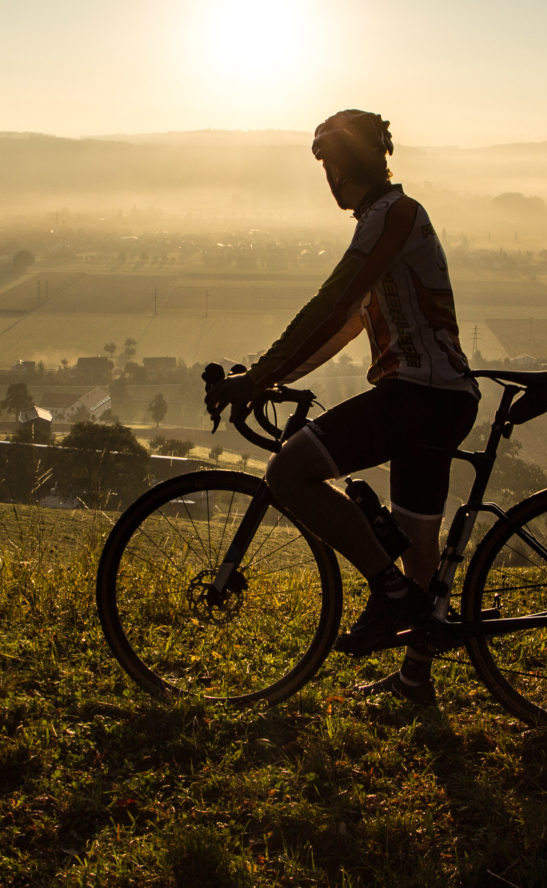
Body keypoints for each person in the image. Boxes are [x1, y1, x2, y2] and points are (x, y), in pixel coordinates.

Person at [205, 109, 479, 705]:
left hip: (419, 395)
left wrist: (258, 377)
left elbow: (333, 304)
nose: (326, 175)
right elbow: (348, 326)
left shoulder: (393, 216)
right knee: (418, 541)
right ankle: (414, 679)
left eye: (328, 162)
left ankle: (387, 592)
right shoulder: (389, 218)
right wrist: (276, 376)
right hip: (439, 397)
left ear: (346, 164)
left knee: (287, 471)